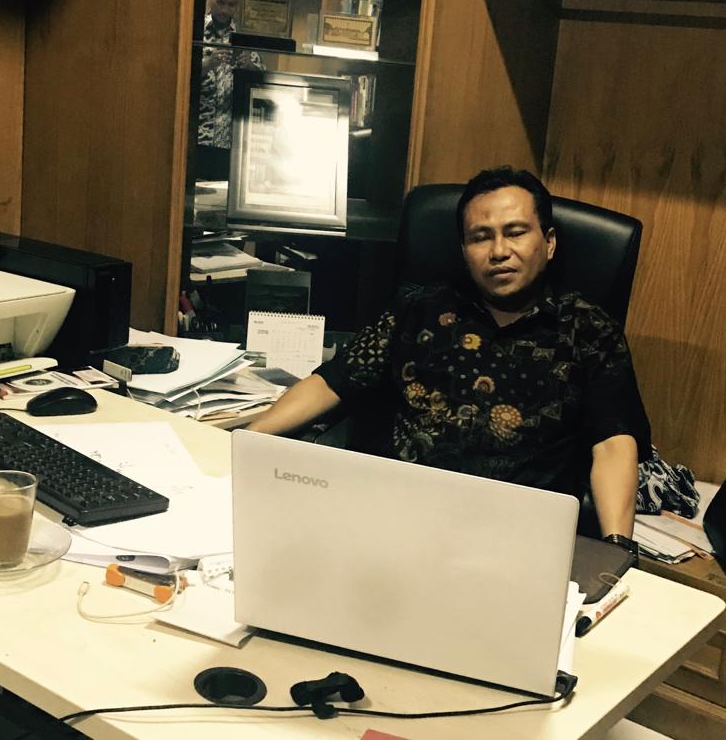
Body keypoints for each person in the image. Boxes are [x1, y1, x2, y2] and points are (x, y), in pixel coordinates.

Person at [249, 166, 651, 547]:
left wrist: (617, 548)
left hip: (519, 535)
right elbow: (334, 381)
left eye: (515, 233)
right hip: (399, 518)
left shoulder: (587, 328)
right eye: (480, 237)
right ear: (463, 250)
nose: (499, 251)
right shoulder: (418, 309)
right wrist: (248, 441)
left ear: (548, 243)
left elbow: (613, 442)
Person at [198, 0, 263, 150]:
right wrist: (207, 65)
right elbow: (178, 81)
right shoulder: (195, 33)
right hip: (197, 136)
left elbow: (261, 85)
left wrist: (249, 67)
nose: (225, 10)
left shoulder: (244, 37)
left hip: (233, 141)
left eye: (232, 4)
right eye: (220, 2)